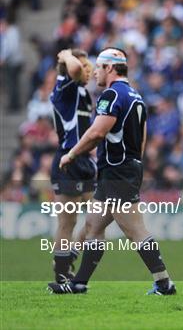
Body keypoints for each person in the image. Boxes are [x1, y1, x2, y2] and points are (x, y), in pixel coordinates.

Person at [48, 47, 176, 295]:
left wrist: (72, 153)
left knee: (135, 230)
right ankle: (79, 282)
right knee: (93, 224)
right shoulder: (135, 95)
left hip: (118, 171)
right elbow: (142, 137)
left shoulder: (111, 96)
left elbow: (97, 133)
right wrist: (134, 162)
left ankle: (164, 283)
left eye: (98, 67)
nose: (95, 72)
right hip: (121, 169)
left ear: (109, 68)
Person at [49, 49, 96, 284]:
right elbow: (74, 69)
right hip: (68, 161)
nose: (89, 71)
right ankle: (61, 272)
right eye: (85, 66)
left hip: (85, 161)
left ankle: (68, 257)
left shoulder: (83, 93)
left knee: (97, 217)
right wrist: (66, 55)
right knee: (68, 222)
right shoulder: (64, 87)